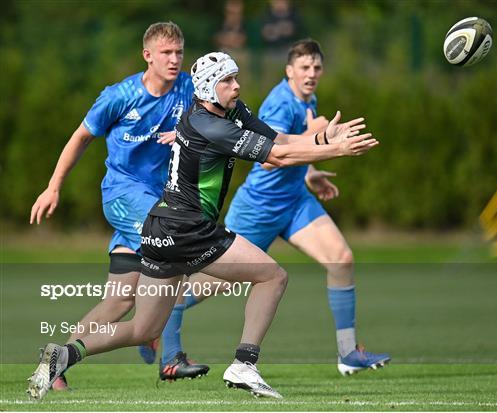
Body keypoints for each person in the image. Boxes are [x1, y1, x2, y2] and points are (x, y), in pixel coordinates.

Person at [27, 51, 378, 401]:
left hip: (160, 226)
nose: (236, 85)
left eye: (236, 77)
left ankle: (64, 353)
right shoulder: (211, 125)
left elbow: (278, 141)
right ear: (209, 89)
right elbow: (277, 158)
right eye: (227, 80)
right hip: (186, 228)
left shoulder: (229, 111)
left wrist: (321, 140)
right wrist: (337, 150)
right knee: (272, 277)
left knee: (144, 328)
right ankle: (244, 363)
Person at [29, 21, 209, 389]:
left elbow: (228, 117)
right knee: (178, 245)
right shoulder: (119, 95)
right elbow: (81, 137)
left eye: (179, 52)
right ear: (148, 56)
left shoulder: (190, 89)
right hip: (122, 195)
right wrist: (53, 187)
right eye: (166, 53)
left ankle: (54, 361)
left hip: (158, 201)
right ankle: (168, 353)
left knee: (118, 301)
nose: (175, 60)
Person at [225, 39, 391, 376]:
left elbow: (297, 152)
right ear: (289, 71)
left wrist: (310, 173)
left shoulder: (308, 99)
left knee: (341, 259)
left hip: (295, 202)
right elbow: (270, 160)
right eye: (304, 67)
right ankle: (159, 326)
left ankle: (348, 353)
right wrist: (318, 137)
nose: (311, 73)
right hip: (258, 207)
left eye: (316, 67)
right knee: (211, 285)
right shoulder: (280, 104)